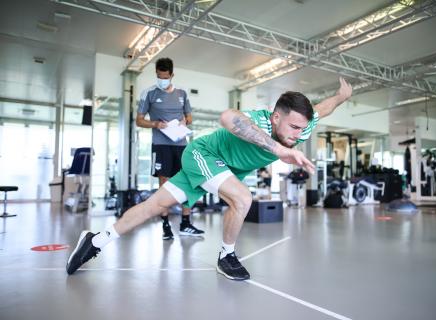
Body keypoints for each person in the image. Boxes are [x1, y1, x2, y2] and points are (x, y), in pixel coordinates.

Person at [66, 77, 353, 280]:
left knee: (154, 206)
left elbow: (322, 109)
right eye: (291, 127)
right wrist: (278, 149)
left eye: (302, 129)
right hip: (204, 154)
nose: (297, 135)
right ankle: (226, 255)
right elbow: (229, 117)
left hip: (223, 168)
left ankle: (96, 240)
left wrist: (341, 97)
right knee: (242, 198)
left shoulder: (303, 125)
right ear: (276, 117)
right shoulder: (262, 120)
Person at [136, 57, 204, 240]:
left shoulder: (182, 93)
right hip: (161, 145)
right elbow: (139, 120)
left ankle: (186, 223)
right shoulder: (148, 93)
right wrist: (156, 124)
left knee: (188, 182)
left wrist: (184, 121)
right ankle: (166, 225)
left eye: (165, 76)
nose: (162, 79)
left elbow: (189, 117)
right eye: (159, 76)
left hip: (181, 144)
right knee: (164, 185)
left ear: (172, 75)